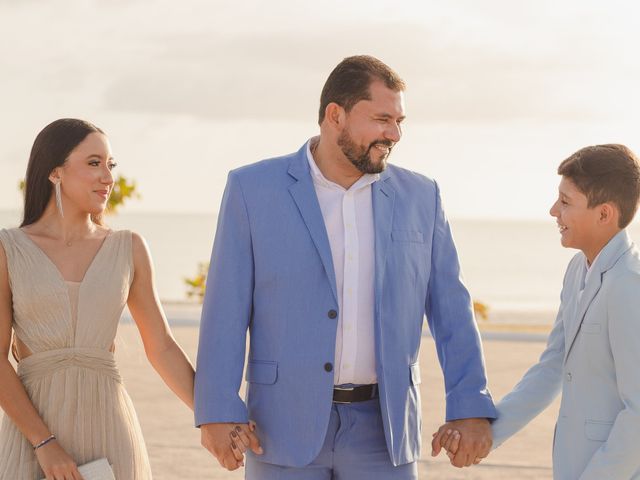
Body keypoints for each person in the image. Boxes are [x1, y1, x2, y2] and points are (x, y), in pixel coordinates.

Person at [194, 55, 496, 479]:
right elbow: (226, 307)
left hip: (384, 430)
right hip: (280, 426)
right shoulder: (252, 189)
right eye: (382, 119)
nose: (394, 133)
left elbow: (452, 309)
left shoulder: (421, 197)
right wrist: (217, 409)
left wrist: (470, 406)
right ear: (334, 115)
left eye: (399, 121)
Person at [0, 119, 242, 479]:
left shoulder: (127, 248)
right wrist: (44, 442)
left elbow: (161, 347)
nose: (108, 178)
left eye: (111, 165)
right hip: (32, 435)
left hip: (110, 431)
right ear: (55, 172)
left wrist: (213, 415)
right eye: (94, 163)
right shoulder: (9, 250)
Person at [433, 144, 640, 478]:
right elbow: (551, 368)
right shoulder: (577, 271)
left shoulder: (630, 285)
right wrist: (486, 433)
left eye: (566, 202)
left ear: (604, 214)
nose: (553, 211)